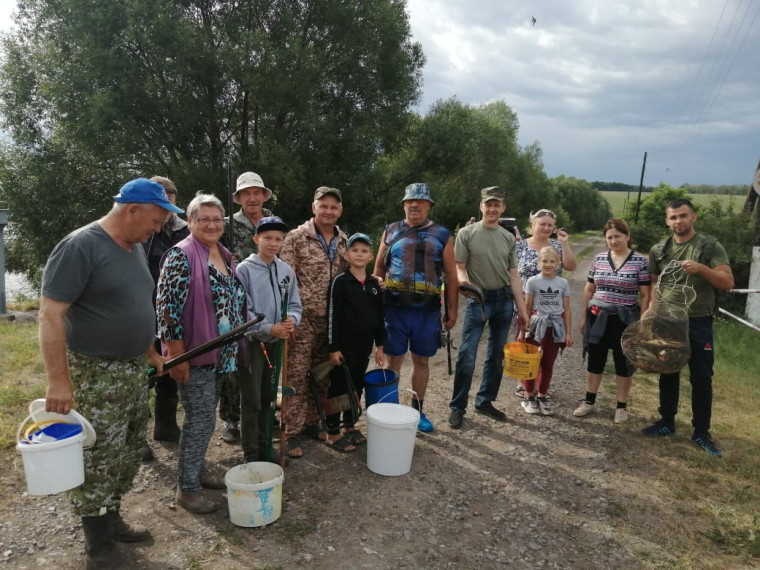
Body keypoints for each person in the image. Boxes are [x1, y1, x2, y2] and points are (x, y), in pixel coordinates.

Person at [39, 178, 179, 569]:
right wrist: (58, 381)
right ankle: (97, 548)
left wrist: (151, 352)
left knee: (130, 446)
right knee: (99, 454)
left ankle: (111, 516)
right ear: (131, 209)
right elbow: (51, 315)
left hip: (132, 369)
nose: (157, 229)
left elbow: (136, 303)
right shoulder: (80, 246)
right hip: (96, 371)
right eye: (155, 220)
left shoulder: (132, 247)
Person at [156, 193, 247, 514]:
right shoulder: (180, 256)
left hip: (224, 355)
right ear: (190, 222)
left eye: (216, 219)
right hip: (195, 355)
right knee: (199, 420)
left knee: (206, 420)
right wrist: (176, 356)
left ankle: (196, 469)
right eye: (203, 218)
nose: (211, 224)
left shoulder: (223, 254)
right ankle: (187, 487)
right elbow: (167, 311)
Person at [641, 199, 733, 456]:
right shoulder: (659, 249)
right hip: (668, 320)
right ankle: (666, 422)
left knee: (701, 378)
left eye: (683, 216)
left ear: (693, 217)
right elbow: (656, 287)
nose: (678, 221)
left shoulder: (709, 246)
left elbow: (727, 282)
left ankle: (701, 433)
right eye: (673, 217)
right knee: (668, 371)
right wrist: (650, 314)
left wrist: (702, 269)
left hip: (699, 320)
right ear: (667, 221)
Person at [374, 182, 458, 432]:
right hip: (395, 310)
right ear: (403, 204)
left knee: (421, 361)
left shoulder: (442, 234)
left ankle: (416, 412)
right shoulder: (390, 231)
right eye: (410, 201)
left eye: (421, 201)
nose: (415, 205)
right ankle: (389, 411)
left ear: (429, 205)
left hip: (428, 312)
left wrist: (451, 310)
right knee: (392, 361)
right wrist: (376, 289)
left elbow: (452, 275)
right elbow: (378, 269)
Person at [448, 187, 529, 429]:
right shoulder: (467, 233)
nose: (493, 208)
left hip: (504, 300)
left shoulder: (508, 237)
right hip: (478, 299)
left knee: (496, 355)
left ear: (503, 208)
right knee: (468, 353)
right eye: (488, 204)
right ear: (481, 206)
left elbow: (514, 274)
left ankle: (485, 401)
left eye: (497, 205)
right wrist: (464, 282)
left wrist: (522, 309)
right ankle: (457, 406)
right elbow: (459, 265)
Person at [279, 187, 348, 458]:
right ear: (314, 207)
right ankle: (290, 432)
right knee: (295, 375)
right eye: (324, 206)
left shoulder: (344, 240)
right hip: (302, 319)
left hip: (330, 322)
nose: (328, 211)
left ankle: (311, 422)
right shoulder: (296, 238)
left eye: (334, 207)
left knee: (321, 375)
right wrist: (288, 318)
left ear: (340, 210)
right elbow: (284, 279)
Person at [236, 216, 302, 464]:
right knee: (252, 399)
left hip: (276, 344)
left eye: (278, 239)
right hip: (253, 344)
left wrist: (291, 320)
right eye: (267, 238)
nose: (273, 243)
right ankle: (251, 451)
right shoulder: (244, 270)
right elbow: (243, 310)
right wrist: (267, 328)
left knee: (268, 396)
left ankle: (265, 445)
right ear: (256, 239)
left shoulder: (286, 271)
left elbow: (295, 304)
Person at [573, 219, 651, 423]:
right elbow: (589, 289)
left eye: (617, 236)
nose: (613, 241)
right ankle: (589, 402)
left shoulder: (640, 262)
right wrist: (583, 316)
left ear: (627, 236)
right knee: (595, 361)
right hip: (597, 317)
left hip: (625, 320)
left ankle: (621, 408)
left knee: (623, 363)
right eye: (609, 237)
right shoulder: (598, 259)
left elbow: (645, 295)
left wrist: (642, 322)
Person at [219, 171, 275, 444]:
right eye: (246, 194)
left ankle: (265, 413)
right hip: (234, 300)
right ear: (238, 197)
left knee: (264, 360)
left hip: (266, 299)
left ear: (264, 196)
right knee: (233, 361)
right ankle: (231, 418)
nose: (252, 198)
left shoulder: (272, 221)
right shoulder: (226, 224)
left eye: (257, 193)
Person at [141, 176, 189, 458]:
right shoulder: (141, 229)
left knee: (170, 370)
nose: (166, 199)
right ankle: (136, 438)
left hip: (173, 312)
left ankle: (166, 426)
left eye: (169, 194)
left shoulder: (185, 229)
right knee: (143, 374)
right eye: (160, 195)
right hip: (144, 308)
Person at [326, 232, 386, 452]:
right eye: (355, 250)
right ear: (346, 254)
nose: (359, 254)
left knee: (357, 384)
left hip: (365, 344)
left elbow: (380, 318)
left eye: (364, 251)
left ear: (371, 256)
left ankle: (350, 426)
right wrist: (333, 348)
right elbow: (332, 316)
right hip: (343, 344)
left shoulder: (374, 285)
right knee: (339, 386)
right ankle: (332, 432)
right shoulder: (340, 282)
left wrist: (380, 347)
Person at [514, 208, 577, 398]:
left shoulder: (557, 246)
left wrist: (565, 244)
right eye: (542, 224)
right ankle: (524, 385)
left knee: (547, 349)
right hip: (524, 304)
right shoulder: (520, 246)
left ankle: (540, 387)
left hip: (551, 308)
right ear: (532, 224)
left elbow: (571, 266)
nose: (546, 228)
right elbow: (512, 272)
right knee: (526, 345)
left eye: (550, 225)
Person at [519, 246, 573, 416]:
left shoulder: (563, 283)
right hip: (536, 326)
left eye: (552, 261)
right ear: (538, 263)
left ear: (558, 264)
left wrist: (568, 333)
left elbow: (567, 309)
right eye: (544, 261)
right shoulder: (532, 281)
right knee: (532, 362)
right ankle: (529, 395)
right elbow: (527, 307)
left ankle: (542, 395)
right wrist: (522, 331)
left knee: (548, 364)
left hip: (555, 327)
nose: (548, 264)